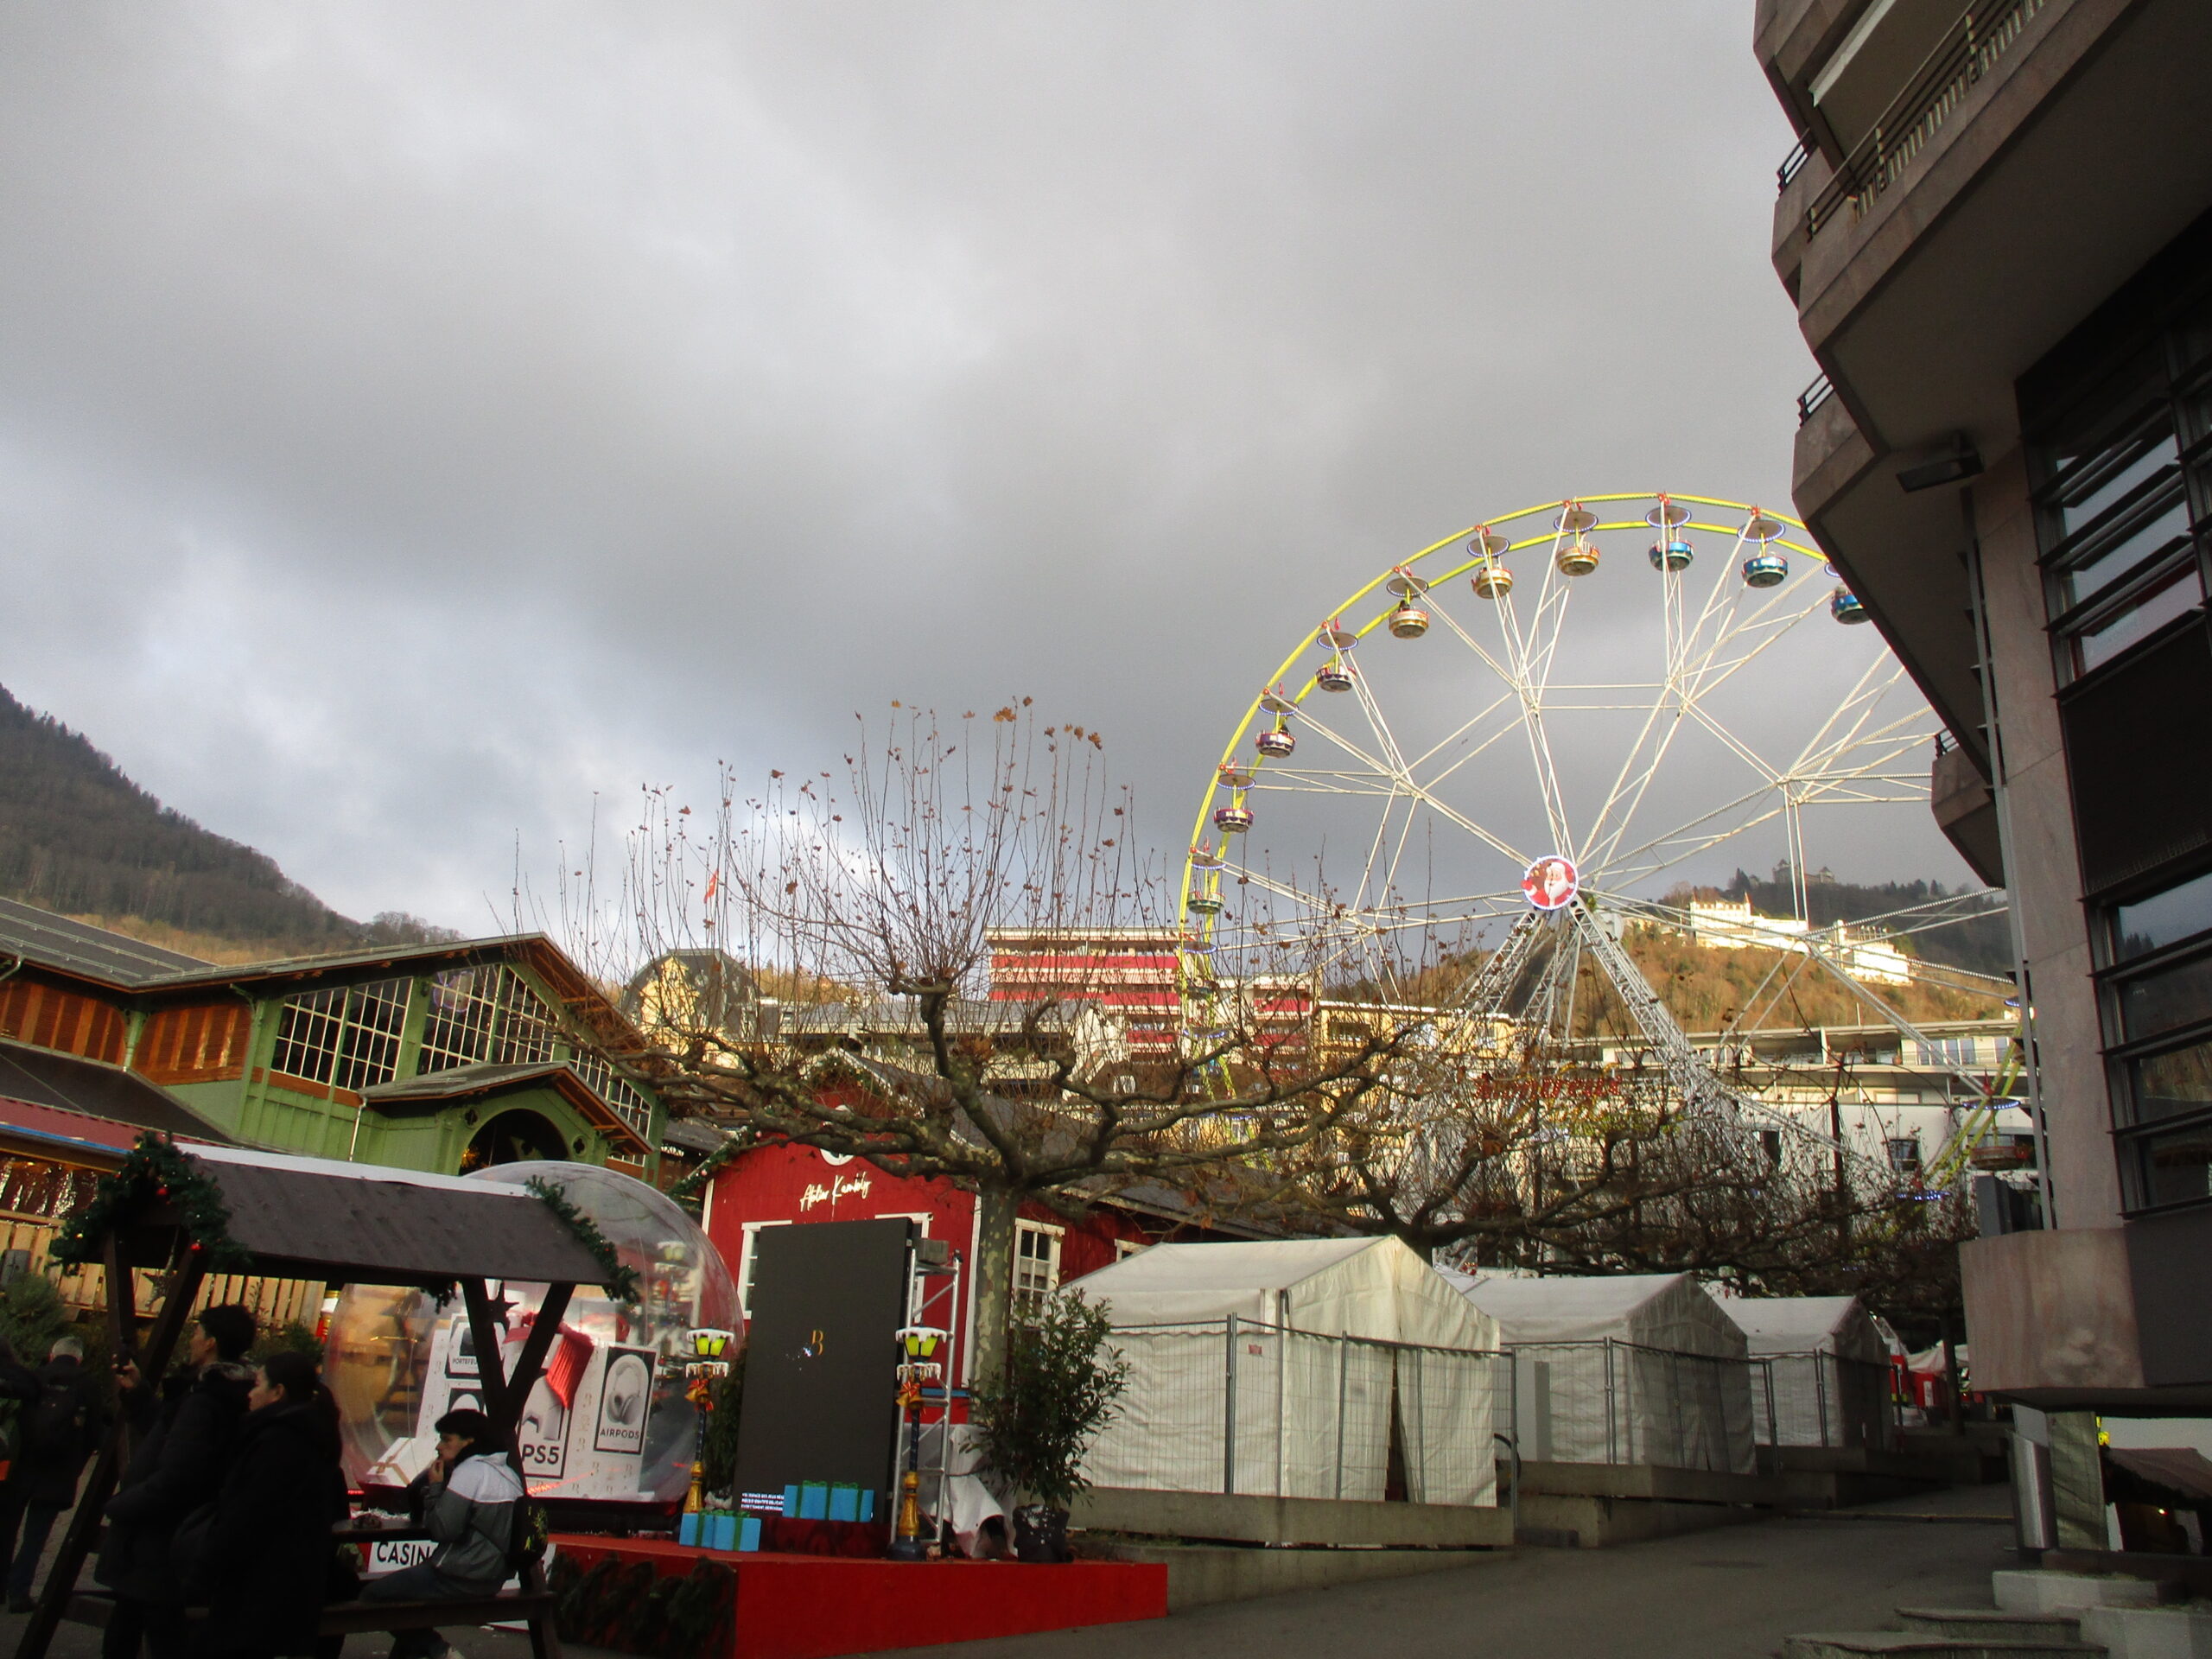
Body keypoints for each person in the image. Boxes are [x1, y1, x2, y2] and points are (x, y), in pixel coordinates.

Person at [95, 1305, 257, 1659]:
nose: (193, 1340)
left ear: (210, 1342)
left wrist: (120, 1505)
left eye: (198, 1333)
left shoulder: (206, 1398)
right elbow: (174, 1435)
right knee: (143, 1625)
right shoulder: (231, 1392)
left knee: (150, 1631)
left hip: (162, 1538)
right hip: (176, 1535)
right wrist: (139, 1394)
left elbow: (178, 1471)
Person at [185, 1350, 347, 1659]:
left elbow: (244, 1515)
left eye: (258, 1384)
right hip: (284, 1587)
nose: (250, 1392)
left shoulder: (278, 1441)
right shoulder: (311, 1437)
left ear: (278, 1391)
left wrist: (202, 1572)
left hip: (256, 1588)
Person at [361, 1408, 520, 1659]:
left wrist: (435, 1488)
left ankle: (438, 1650)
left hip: (458, 1575)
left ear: (469, 1442)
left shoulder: (469, 1473)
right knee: (407, 1606)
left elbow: (442, 1530)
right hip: (492, 1576)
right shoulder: (508, 1474)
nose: (438, 1446)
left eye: (447, 1439)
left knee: (373, 1596)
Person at [1, 1337, 106, 1611]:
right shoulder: (88, 1385)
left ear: (52, 1355)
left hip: (23, 1468)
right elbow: (96, 1433)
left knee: (7, 1530)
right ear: (79, 1358)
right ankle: (19, 1593)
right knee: (35, 1538)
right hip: (58, 1473)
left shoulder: (35, 1378)